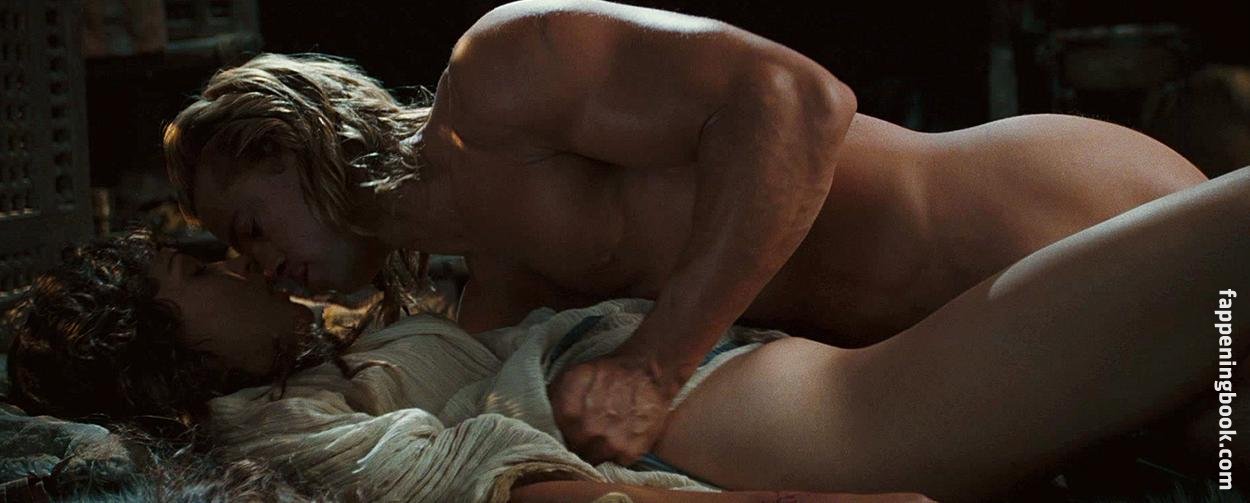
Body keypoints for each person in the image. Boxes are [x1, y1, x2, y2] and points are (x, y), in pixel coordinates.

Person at [161, 0, 1209, 465]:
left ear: (286, 141)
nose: (266, 267)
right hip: (1002, 331)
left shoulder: (503, 73)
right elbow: (459, 410)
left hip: (1048, 208)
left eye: (249, 226)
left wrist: (657, 362)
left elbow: (798, 100)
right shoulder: (501, 276)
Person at [9, 166, 1250, 501]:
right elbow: (487, 478)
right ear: (158, 335)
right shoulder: (264, 423)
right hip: (706, 418)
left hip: (685, 373)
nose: (232, 264)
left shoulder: (320, 357)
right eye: (196, 269)